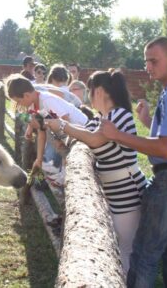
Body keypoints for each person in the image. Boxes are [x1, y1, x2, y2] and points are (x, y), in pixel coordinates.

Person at [98, 36, 167, 287]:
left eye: (154, 61)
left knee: (145, 255)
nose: (148, 67)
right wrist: (147, 121)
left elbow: (166, 149)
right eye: (146, 61)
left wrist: (117, 135)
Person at [43, 70, 148, 274]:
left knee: (127, 250)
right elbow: (81, 136)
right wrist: (59, 128)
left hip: (127, 193)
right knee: (118, 248)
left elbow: (93, 139)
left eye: (90, 91)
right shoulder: (99, 118)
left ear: (99, 91)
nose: (88, 97)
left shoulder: (120, 115)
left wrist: (63, 125)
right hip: (112, 193)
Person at [6, 74, 87, 179]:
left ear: (26, 95)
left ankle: (64, 174)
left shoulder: (47, 100)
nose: (19, 104)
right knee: (53, 158)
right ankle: (60, 173)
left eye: (19, 101)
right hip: (70, 131)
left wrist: (60, 140)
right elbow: (41, 131)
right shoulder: (33, 105)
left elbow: (66, 119)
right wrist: (39, 159)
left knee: (67, 153)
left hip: (82, 127)